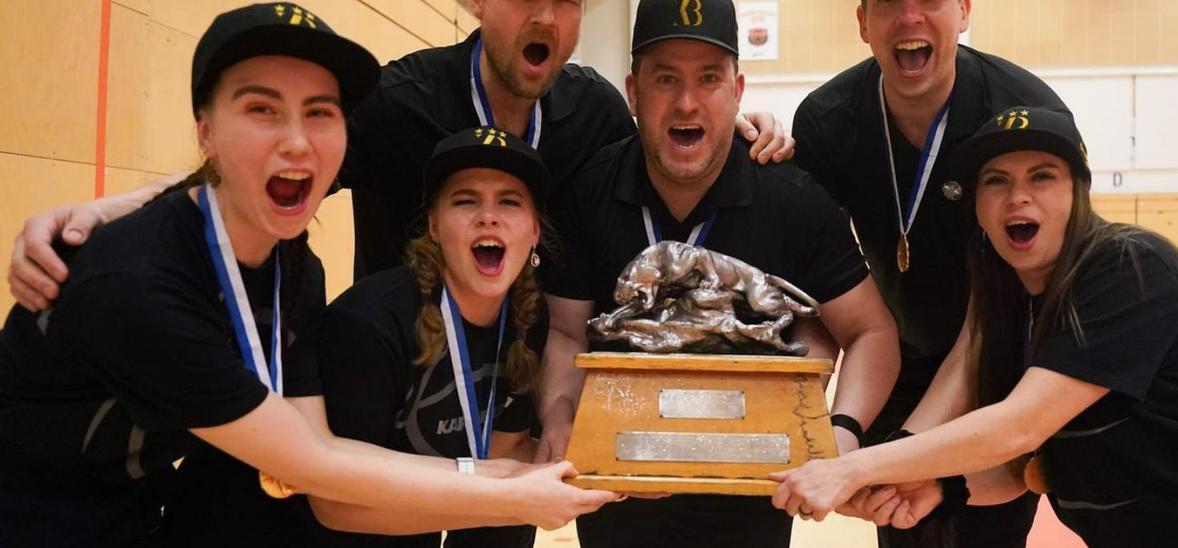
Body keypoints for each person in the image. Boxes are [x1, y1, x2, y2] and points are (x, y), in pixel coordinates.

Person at [0, 5, 614, 546]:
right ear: (205, 131)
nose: (297, 141)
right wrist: (514, 492)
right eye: (262, 108)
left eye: (319, 113)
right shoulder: (140, 289)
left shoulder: (294, 266)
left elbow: (316, 444)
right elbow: (315, 467)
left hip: (140, 513)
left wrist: (519, 470)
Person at [7, 0, 796, 312]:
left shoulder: (592, 108)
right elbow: (250, 182)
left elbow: (670, 147)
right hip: (389, 383)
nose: (546, 16)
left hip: (512, 397)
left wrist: (744, 125)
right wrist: (103, 210)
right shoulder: (397, 101)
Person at [772, 106, 1178, 548]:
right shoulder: (1013, 301)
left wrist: (851, 466)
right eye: (996, 180)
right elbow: (1028, 470)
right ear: (977, 209)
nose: (1019, 196)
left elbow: (1019, 425)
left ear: (1077, 193)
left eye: (1042, 176)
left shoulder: (1128, 267)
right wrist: (938, 486)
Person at [539, 1, 900, 546]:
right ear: (634, 93)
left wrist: (838, 440)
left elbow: (871, 331)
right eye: (666, 79)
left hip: (754, 494)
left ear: (737, 92)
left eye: (709, 78)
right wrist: (560, 417)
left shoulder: (793, 199)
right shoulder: (587, 193)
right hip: (620, 488)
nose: (686, 101)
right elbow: (566, 330)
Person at [791, 1, 1071, 545]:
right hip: (895, 355)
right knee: (898, 520)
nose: (910, 17)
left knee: (982, 527)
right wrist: (829, 428)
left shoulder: (1020, 108)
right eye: (890, 3)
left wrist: (904, 449)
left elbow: (991, 318)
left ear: (964, 12)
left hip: (998, 359)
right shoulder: (828, 120)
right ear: (863, 21)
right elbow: (819, 288)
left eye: (930, 0)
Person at [299, 127, 555, 547]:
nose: (487, 216)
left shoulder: (529, 317)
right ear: (434, 226)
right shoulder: (368, 324)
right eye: (465, 200)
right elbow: (335, 505)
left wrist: (585, 474)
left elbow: (502, 452)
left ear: (534, 233)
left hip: (426, 519)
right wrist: (508, 499)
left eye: (509, 202)